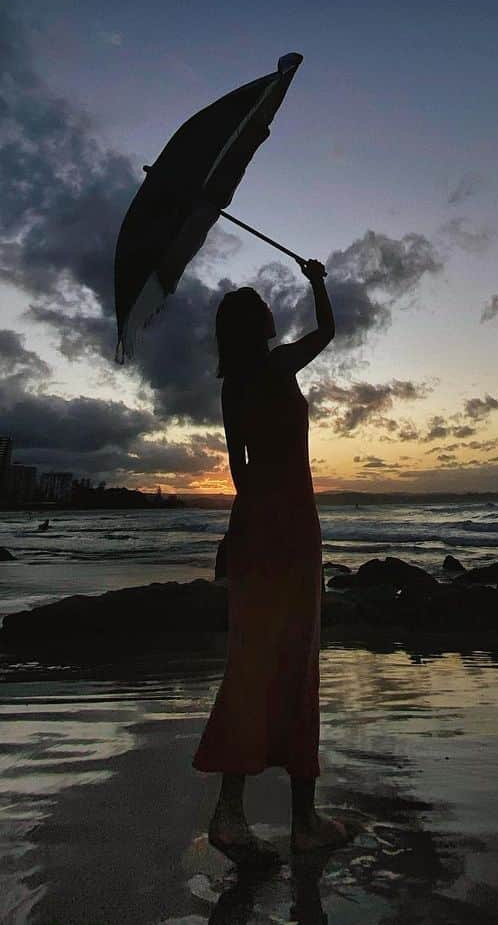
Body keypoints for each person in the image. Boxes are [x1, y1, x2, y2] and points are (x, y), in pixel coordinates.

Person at [193, 258, 350, 863]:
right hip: (290, 523)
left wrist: (243, 530)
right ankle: (303, 822)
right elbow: (328, 332)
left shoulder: (234, 385)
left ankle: (231, 813)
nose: (268, 309)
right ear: (256, 323)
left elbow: (238, 469)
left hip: (257, 520)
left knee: (254, 661)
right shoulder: (278, 364)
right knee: (296, 657)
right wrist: (317, 282)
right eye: (260, 306)